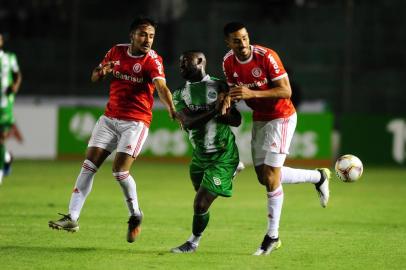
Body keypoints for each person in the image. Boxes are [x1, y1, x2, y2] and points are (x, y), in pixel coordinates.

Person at [48, 18, 176, 243]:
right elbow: (95, 77)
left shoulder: (152, 60)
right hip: (109, 118)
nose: (147, 40)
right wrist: (102, 70)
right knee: (88, 166)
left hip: (135, 122)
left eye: (151, 36)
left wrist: (171, 109)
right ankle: (73, 217)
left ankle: (135, 214)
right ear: (132, 36)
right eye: (143, 34)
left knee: (119, 172)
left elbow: (161, 87)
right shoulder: (116, 51)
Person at [221, 22, 331, 255]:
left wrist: (252, 93)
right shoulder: (228, 62)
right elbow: (235, 92)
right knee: (265, 177)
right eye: (236, 40)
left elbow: (285, 91)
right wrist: (229, 103)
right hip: (260, 118)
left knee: (272, 176)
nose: (242, 43)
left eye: (244, 37)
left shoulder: (266, 56)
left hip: (281, 117)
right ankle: (318, 176)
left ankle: (273, 236)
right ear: (228, 42)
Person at [170, 50, 243, 253]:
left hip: (223, 155)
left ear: (201, 61)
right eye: (180, 63)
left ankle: (192, 243)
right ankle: (233, 172)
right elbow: (189, 122)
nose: (181, 66)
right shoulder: (179, 93)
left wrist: (224, 110)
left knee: (200, 204)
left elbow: (237, 120)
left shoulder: (220, 85)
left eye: (186, 62)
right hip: (200, 157)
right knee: (202, 201)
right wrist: (214, 108)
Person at [0, 33, 22, 184]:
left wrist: (14, 87)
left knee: (1, 138)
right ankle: (7, 157)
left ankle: (0, 173)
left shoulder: (9, 58)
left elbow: (17, 75)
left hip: (4, 104)